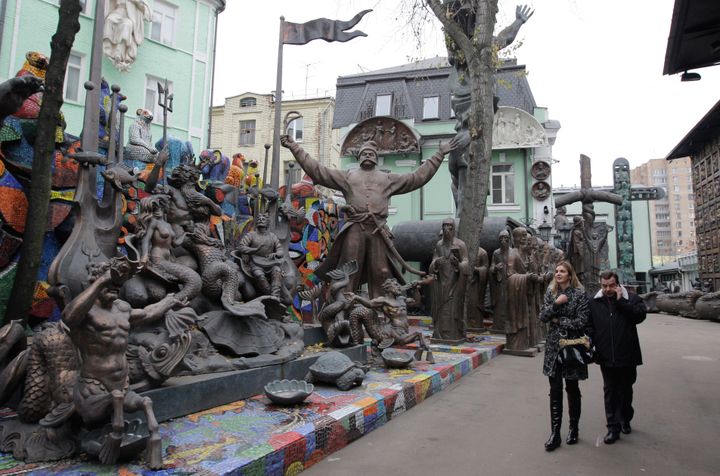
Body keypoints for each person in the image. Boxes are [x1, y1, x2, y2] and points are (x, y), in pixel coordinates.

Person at [281, 134, 457, 299]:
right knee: (348, 269)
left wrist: (438, 155)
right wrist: (295, 147)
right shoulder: (348, 176)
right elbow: (318, 170)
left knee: (381, 271)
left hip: (378, 230)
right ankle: (344, 310)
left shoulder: (387, 178)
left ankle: (380, 310)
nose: (367, 155)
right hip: (354, 228)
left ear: (376, 157)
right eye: (364, 153)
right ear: (359, 157)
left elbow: (416, 177)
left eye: (371, 153)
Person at [589, 270, 647, 444]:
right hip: (605, 355)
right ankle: (612, 427)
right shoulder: (594, 302)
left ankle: (625, 418)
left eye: (611, 285)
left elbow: (639, 316)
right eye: (604, 286)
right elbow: (589, 324)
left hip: (627, 354)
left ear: (618, 284)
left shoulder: (632, 299)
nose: (607, 289)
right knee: (610, 390)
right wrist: (593, 339)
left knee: (626, 388)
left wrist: (622, 301)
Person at [538, 261, 590, 451]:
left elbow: (582, 321)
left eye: (562, 271)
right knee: (555, 389)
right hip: (553, 346)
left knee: (572, 387)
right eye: (556, 271)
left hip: (572, 346)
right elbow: (542, 316)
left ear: (570, 274)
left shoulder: (579, 294)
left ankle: (574, 429)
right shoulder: (551, 293)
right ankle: (555, 433)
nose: (558, 274)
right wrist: (556, 304)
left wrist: (559, 320)